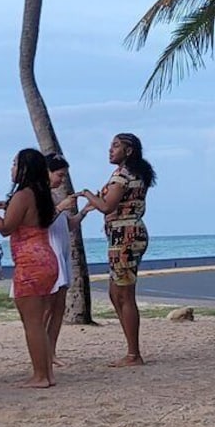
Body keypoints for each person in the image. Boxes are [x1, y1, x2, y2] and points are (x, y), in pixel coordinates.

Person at [0, 149, 59, 388]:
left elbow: (5, 228)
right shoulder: (42, 194)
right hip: (46, 258)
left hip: (30, 263)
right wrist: (4, 207)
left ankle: (40, 375)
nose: (11, 169)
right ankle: (46, 373)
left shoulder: (23, 194)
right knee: (38, 321)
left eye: (14, 164)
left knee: (31, 322)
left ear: (24, 168)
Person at [79, 133, 156, 368]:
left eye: (115, 146)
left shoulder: (123, 175)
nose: (110, 150)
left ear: (128, 150)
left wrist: (87, 194)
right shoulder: (131, 174)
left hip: (126, 237)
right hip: (122, 236)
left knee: (124, 294)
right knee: (115, 293)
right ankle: (131, 349)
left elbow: (106, 206)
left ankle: (134, 354)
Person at [43, 153, 88, 367]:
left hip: (61, 253)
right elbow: (41, 222)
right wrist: (61, 207)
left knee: (59, 306)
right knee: (48, 307)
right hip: (49, 253)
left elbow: (68, 224)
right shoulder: (39, 196)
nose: (62, 180)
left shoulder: (52, 196)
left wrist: (85, 211)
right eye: (59, 175)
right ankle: (42, 352)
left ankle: (51, 351)